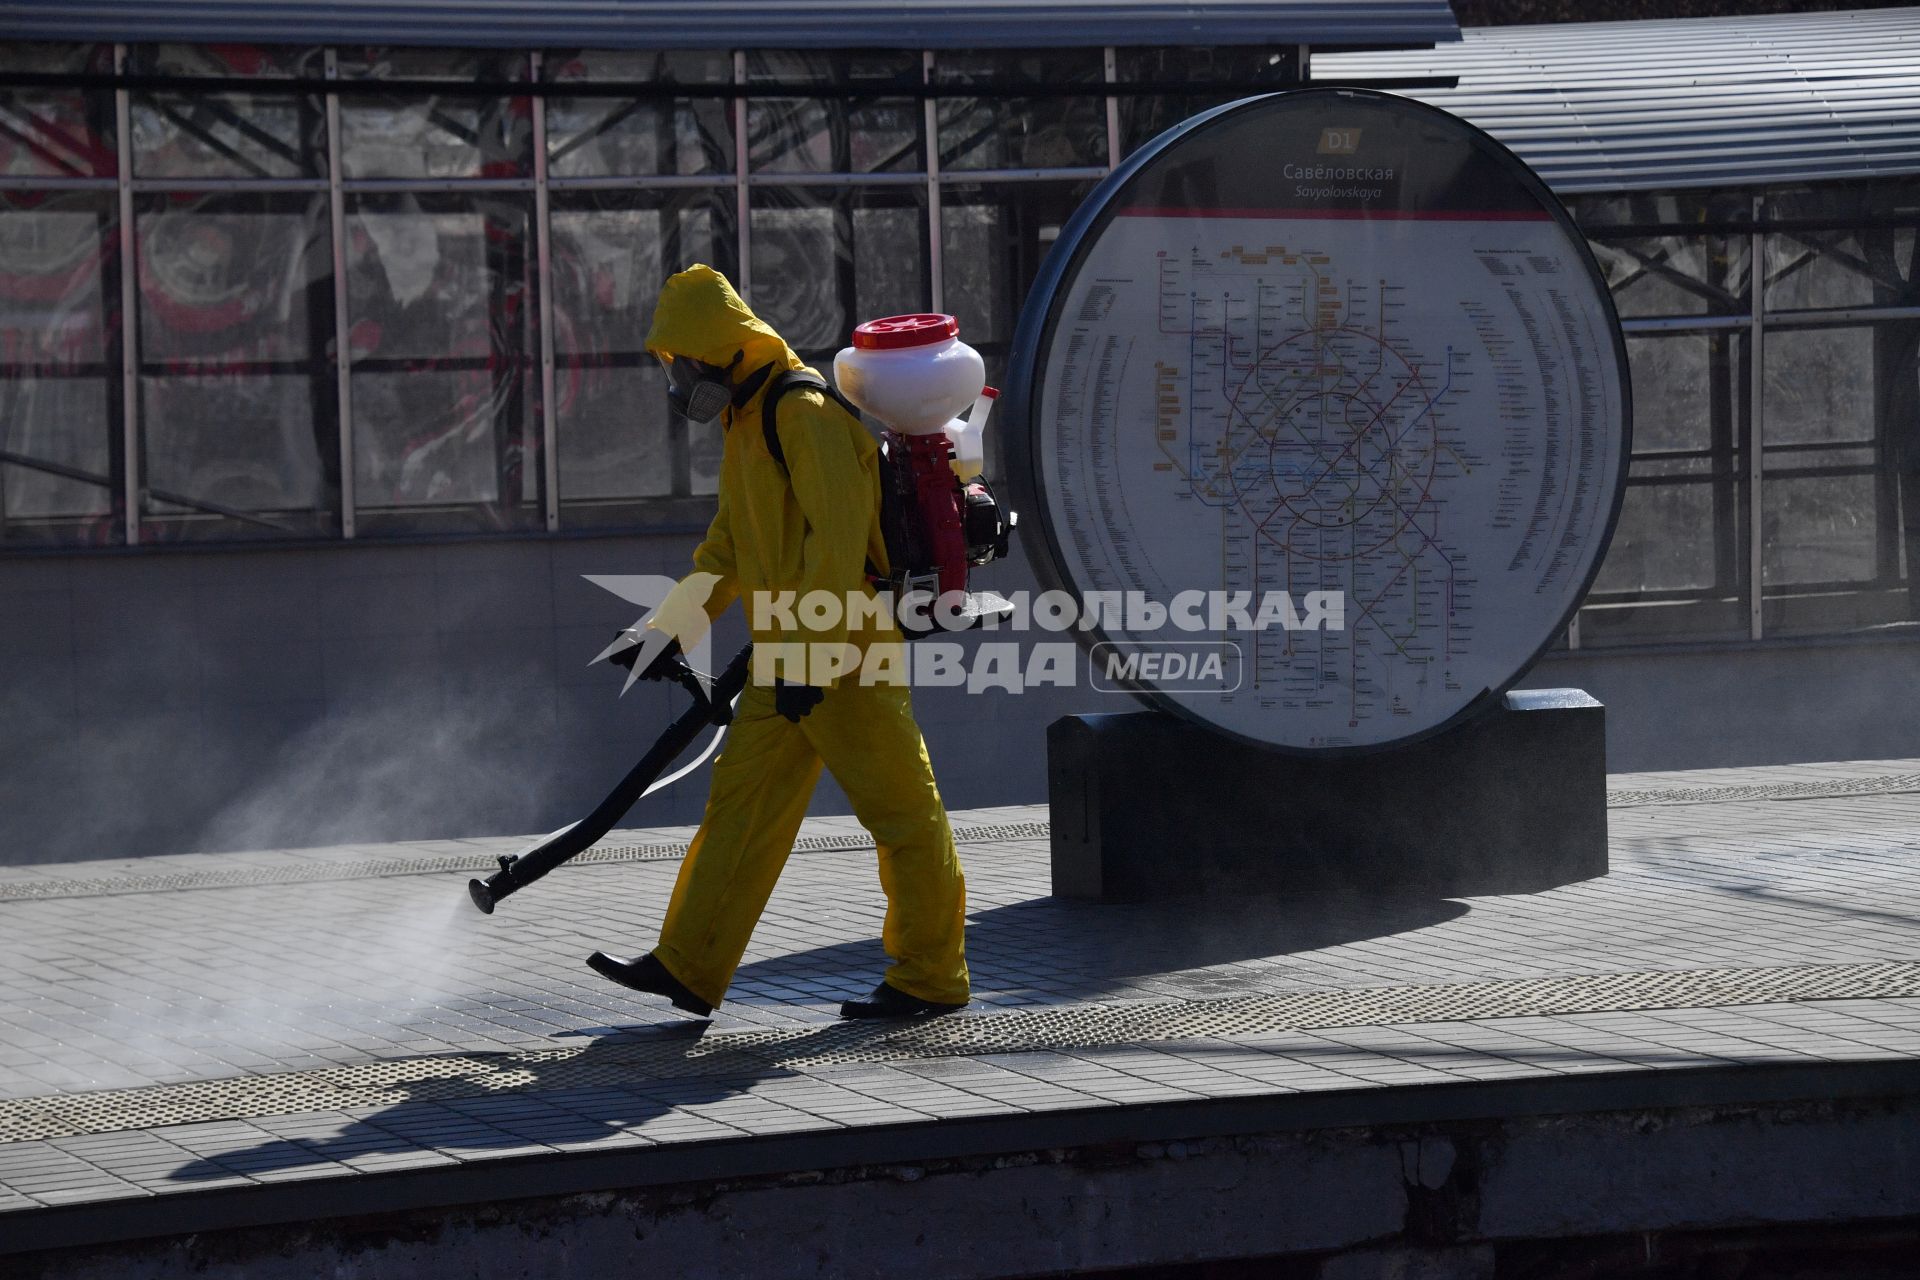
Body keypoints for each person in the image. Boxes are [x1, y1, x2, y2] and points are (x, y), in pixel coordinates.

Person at [587, 264, 970, 1020]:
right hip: (784, 657)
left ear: (724, 350)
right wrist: (666, 632)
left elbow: (835, 549)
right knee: (740, 808)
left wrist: (814, 655)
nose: (679, 379)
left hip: (842, 655)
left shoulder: (804, 413)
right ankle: (689, 966)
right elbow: (727, 550)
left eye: (684, 361)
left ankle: (931, 977)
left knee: (901, 814)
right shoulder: (746, 419)